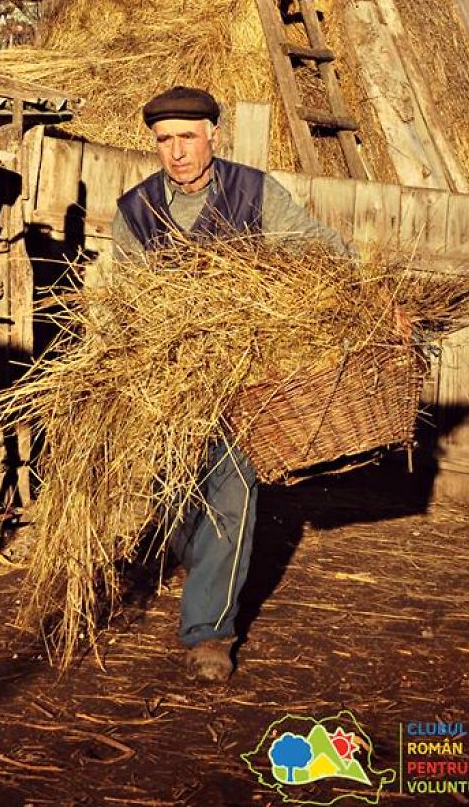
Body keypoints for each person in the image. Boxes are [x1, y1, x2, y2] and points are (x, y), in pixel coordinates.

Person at [111, 85, 352, 684]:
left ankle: (208, 634)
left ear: (212, 135)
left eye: (187, 137)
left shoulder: (254, 192)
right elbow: (123, 300)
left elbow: (327, 253)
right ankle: (195, 565)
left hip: (242, 380)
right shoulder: (136, 210)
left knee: (230, 495)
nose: (177, 151)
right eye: (165, 140)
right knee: (174, 497)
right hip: (166, 383)